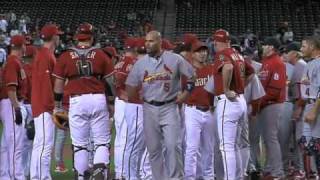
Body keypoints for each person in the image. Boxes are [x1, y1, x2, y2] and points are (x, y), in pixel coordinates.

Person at [126, 30, 195, 180]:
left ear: (160, 42)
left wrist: (184, 96)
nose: (147, 44)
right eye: (146, 41)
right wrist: (134, 98)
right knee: (154, 149)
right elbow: (130, 84)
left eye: (151, 41)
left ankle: (176, 178)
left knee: (172, 146)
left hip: (169, 107)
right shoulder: (141, 63)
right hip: (149, 108)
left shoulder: (175, 59)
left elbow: (191, 76)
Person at [52, 23, 114, 179]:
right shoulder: (100, 54)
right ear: (92, 37)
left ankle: (81, 176)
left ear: (77, 37)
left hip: (77, 101)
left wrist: (57, 105)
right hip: (98, 98)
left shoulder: (65, 55)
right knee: (101, 142)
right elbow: (111, 81)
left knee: (80, 145)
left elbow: (58, 84)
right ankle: (100, 169)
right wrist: (112, 102)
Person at [210, 29, 254, 180]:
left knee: (226, 147)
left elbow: (227, 67)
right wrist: (241, 86)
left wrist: (228, 89)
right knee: (234, 145)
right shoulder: (238, 54)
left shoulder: (222, 54)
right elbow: (251, 72)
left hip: (228, 102)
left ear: (216, 42)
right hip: (240, 100)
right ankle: (239, 176)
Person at [30, 24, 63, 180]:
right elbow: (46, 85)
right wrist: (53, 108)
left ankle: (36, 176)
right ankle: (43, 177)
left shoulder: (43, 54)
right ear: (53, 37)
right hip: (44, 107)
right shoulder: (45, 56)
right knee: (45, 146)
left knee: (39, 145)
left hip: (40, 106)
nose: (60, 37)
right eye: (58, 35)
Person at [183, 40, 215, 179]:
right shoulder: (186, 70)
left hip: (209, 111)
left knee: (209, 149)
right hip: (192, 111)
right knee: (191, 148)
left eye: (204, 51)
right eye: (199, 51)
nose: (203, 53)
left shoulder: (211, 69)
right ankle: (190, 177)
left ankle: (207, 176)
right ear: (192, 54)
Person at [257, 37, 286, 179]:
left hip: (272, 104)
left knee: (271, 138)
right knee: (267, 139)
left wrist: (258, 103)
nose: (263, 47)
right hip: (265, 104)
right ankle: (270, 168)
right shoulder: (266, 62)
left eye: (265, 45)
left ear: (271, 47)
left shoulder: (277, 63)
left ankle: (278, 172)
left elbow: (275, 90)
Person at [0, 35, 28, 180]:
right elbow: (11, 88)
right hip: (12, 103)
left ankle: (5, 176)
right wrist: (17, 107)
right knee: (16, 144)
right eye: (25, 44)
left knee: (6, 145)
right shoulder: (13, 62)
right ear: (20, 46)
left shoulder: (13, 61)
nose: (26, 47)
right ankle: (16, 176)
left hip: (8, 103)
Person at [299, 36, 320, 178]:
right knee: (307, 145)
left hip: (316, 106)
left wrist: (313, 111)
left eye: (303, 46)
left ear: (312, 47)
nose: (301, 49)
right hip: (310, 104)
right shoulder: (311, 63)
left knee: (317, 145)